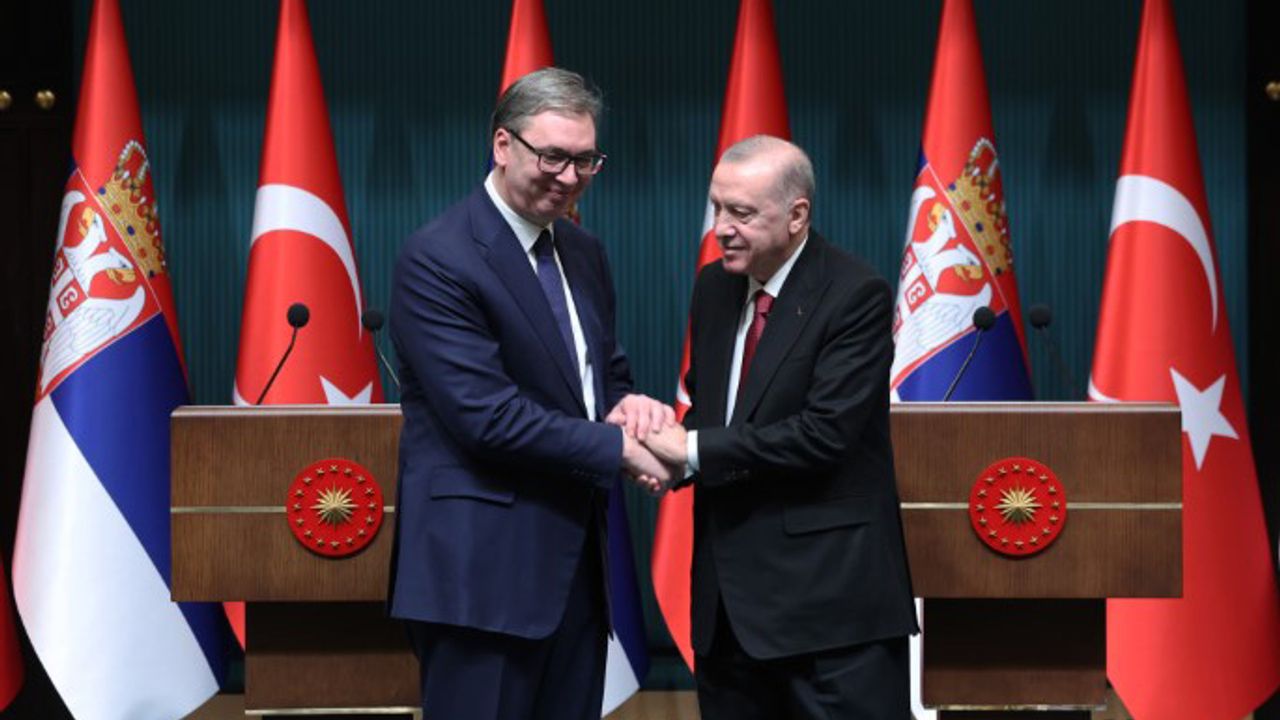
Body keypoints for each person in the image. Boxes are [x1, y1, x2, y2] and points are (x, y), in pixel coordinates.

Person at [387, 67, 672, 720]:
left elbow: (601, 376)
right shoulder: (439, 257)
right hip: (480, 579)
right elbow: (486, 417)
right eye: (553, 157)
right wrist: (623, 450)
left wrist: (628, 407)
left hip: (575, 571)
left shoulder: (583, 251)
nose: (569, 178)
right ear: (502, 145)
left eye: (585, 160)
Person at [641, 135, 919, 719]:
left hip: (829, 619)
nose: (721, 228)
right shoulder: (714, 288)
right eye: (717, 207)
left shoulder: (854, 294)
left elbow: (823, 434)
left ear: (797, 215)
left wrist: (689, 450)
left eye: (741, 213)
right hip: (728, 619)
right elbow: (716, 416)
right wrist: (657, 450)